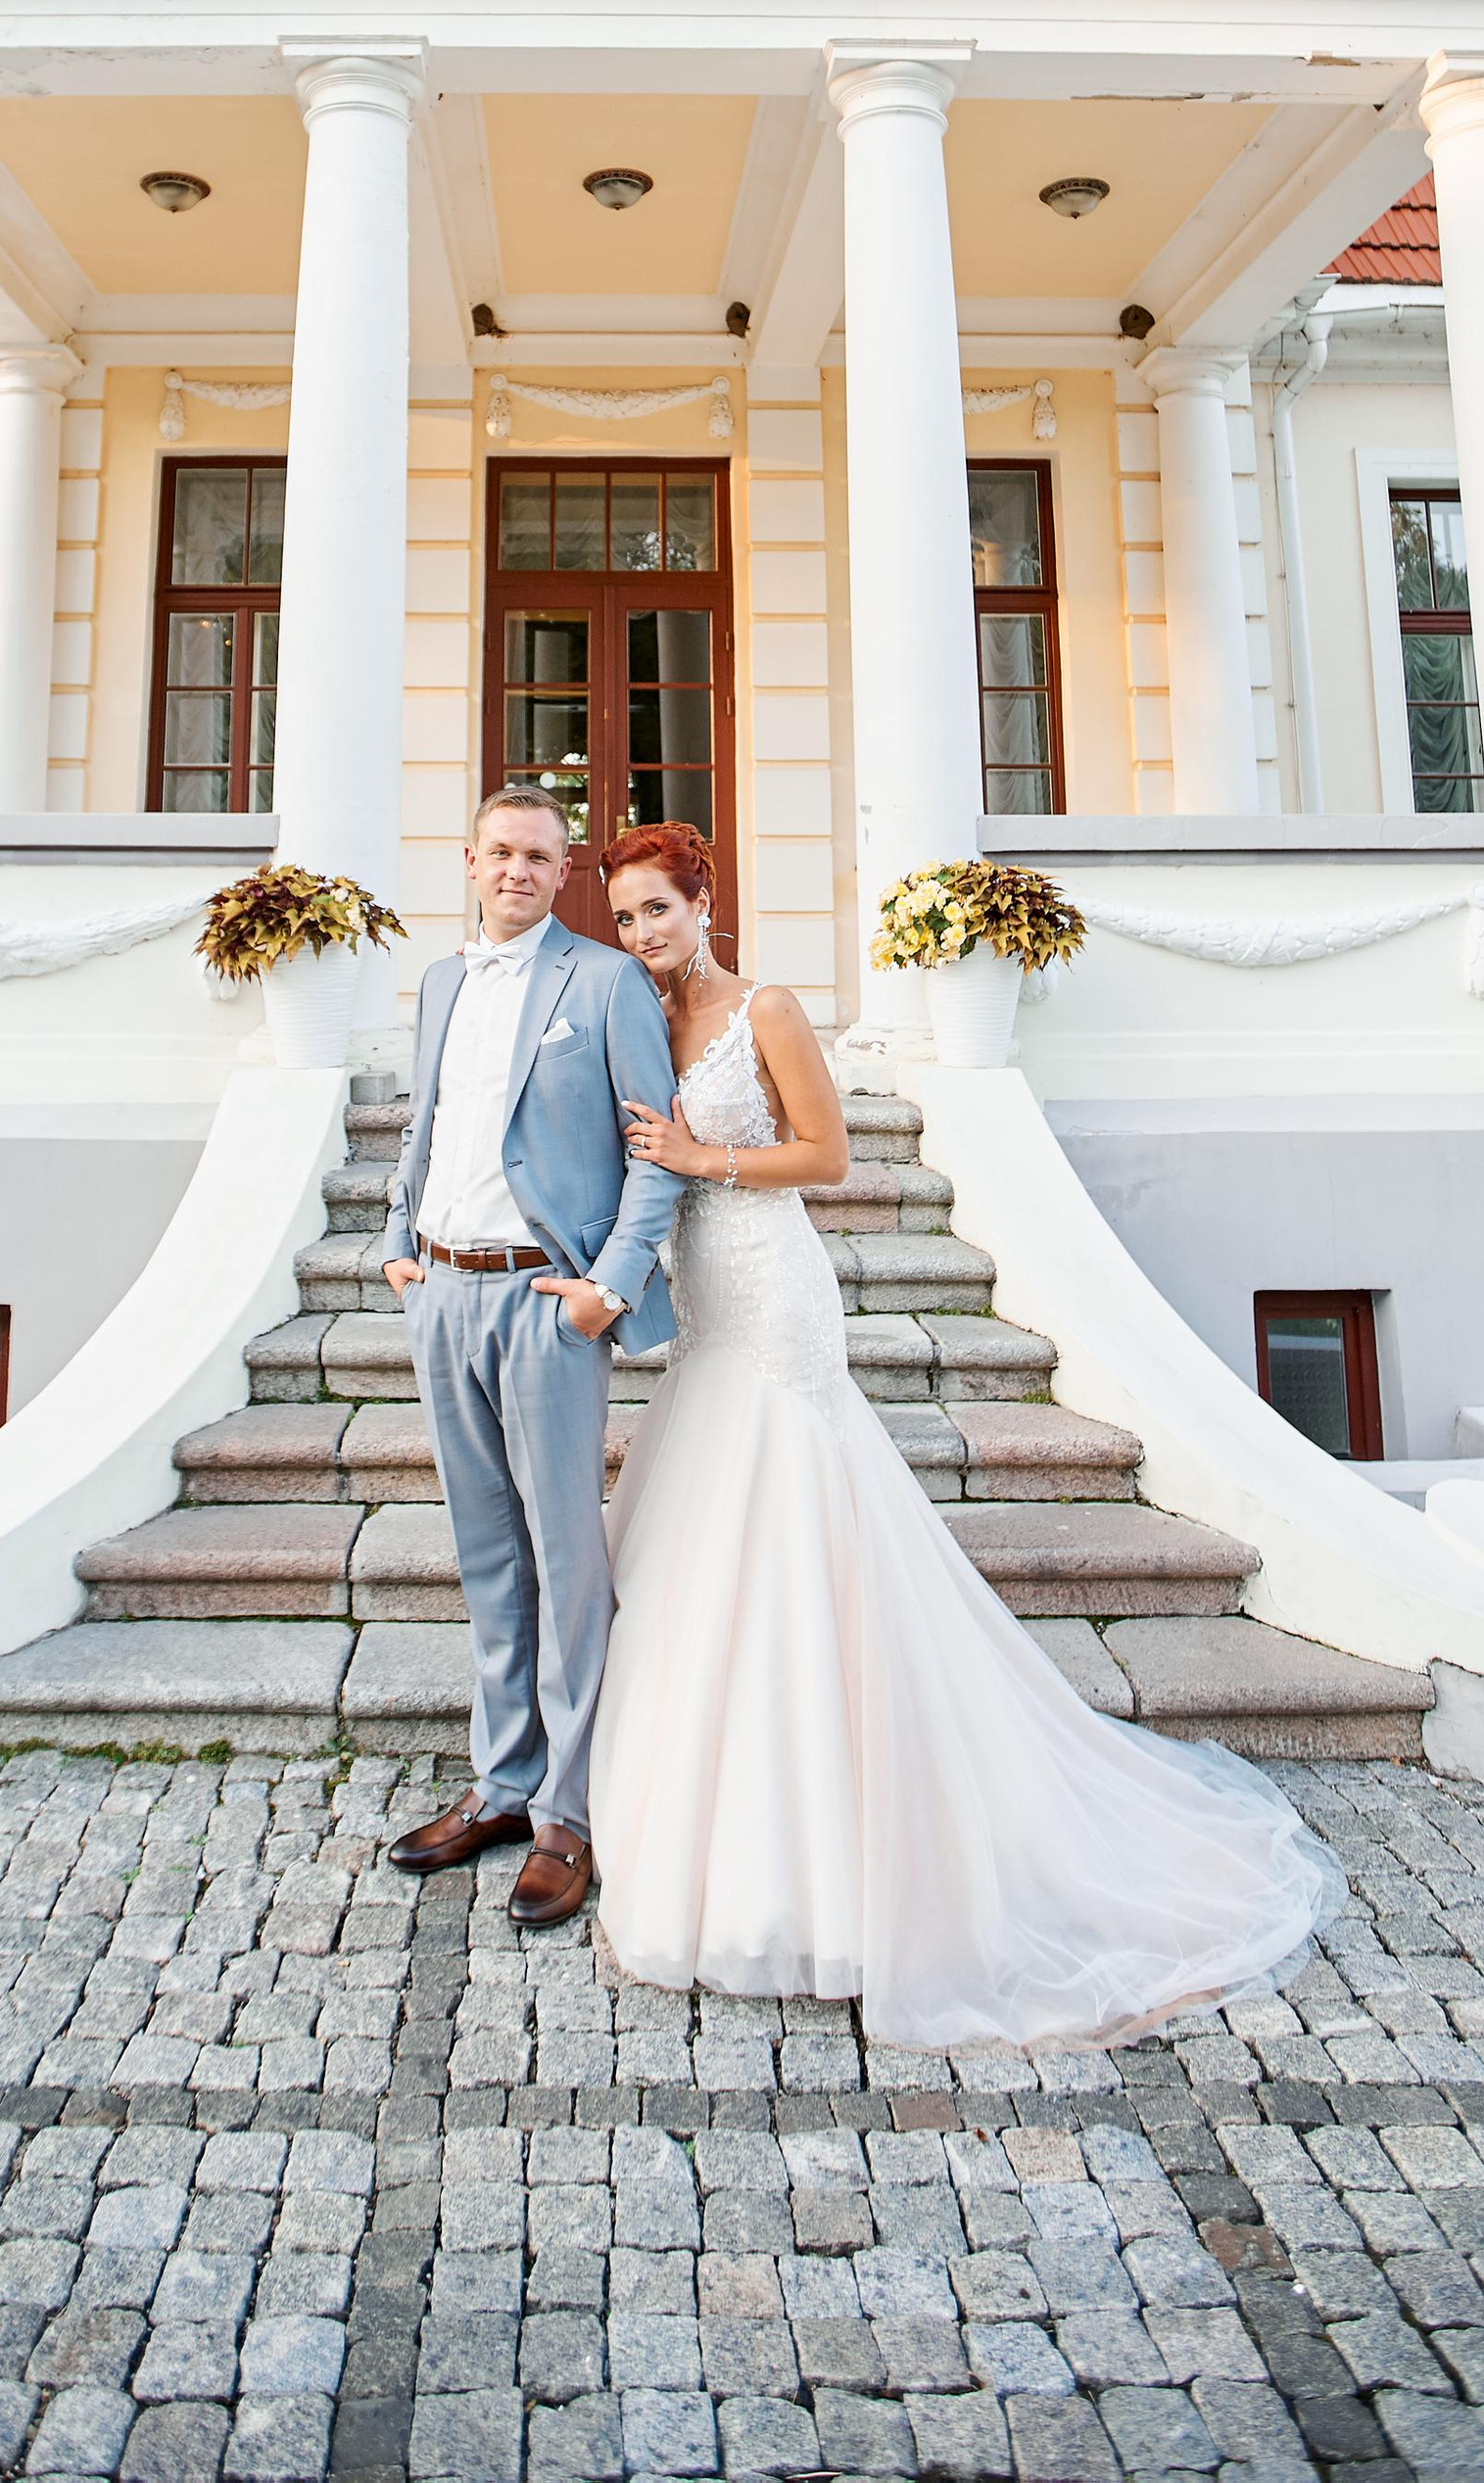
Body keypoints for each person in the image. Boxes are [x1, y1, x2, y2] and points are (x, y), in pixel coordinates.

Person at [588, 819, 1346, 2051]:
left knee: (792, 1517)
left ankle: (842, 1829)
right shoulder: (641, 1015)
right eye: (622, 917)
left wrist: (699, 1154)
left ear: (702, 901)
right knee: (695, 1528)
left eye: (656, 911)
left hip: (775, 1296)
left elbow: (825, 1154)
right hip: (704, 1306)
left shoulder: (762, 1007)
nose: (640, 934)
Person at [378, 785, 685, 1928]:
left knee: (566, 1562)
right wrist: (395, 1245)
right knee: (486, 1555)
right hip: (442, 1291)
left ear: (563, 873)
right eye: (500, 852)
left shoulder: (604, 982)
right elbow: (429, 1120)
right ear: (469, 860)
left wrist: (608, 1288)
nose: (517, 870)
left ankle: (570, 1812)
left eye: (539, 857)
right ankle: (502, 1784)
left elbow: (650, 1150)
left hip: (543, 1303)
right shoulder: (443, 981)